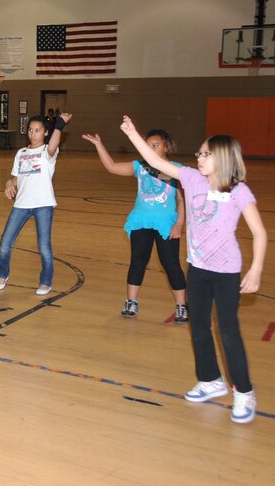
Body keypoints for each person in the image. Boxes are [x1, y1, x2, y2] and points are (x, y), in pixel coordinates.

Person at [121, 116, 265, 424]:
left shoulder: (238, 191)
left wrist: (256, 268)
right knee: (198, 325)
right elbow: (150, 158)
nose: (198, 157)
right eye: (198, 153)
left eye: (204, 153)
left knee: (227, 331)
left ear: (223, 158)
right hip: (198, 268)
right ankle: (210, 379)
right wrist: (133, 133)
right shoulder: (190, 179)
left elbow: (260, 233)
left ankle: (244, 391)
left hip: (226, 272)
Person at [82, 130, 188, 322]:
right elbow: (112, 167)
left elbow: (182, 200)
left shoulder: (176, 169)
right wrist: (99, 145)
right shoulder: (140, 166)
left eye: (155, 145)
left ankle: (181, 305)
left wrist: (179, 224)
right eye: (147, 145)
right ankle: (131, 301)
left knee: (171, 264)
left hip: (166, 224)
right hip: (141, 221)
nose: (150, 148)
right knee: (138, 261)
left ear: (167, 147)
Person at [0, 112, 72, 296]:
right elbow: (16, 177)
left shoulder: (47, 152)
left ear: (45, 133)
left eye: (37, 130)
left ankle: (46, 282)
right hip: (21, 204)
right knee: (5, 242)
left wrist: (59, 125)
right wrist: (9, 183)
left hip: (43, 204)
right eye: (30, 130)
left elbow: (54, 145)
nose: (33, 133)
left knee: (44, 245)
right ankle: (2, 275)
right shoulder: (21, 153)